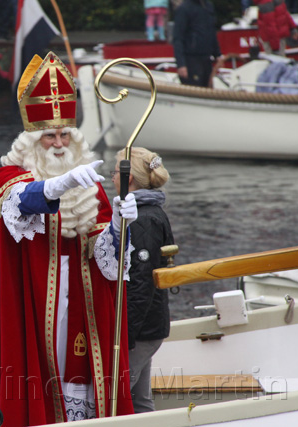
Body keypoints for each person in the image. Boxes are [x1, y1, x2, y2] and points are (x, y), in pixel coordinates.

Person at [0, 51, 138, 425]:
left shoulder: (88, 182)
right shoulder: (8, 177)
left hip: (83, 299)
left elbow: (107, 260)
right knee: (38, 375)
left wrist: (121, 228)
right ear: (32, 139)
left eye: (64, 134)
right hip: (32, 298)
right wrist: (56, 186)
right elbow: (22, 202)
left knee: (78, 378)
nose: (59, 144)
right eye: (49, 136)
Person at [112, 147, 173, 414]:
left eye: (114, 173)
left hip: (141, 328)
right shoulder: (150, 211)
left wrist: (127, 334)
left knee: (118, 394)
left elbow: (141, 281)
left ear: (129, 180)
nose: (111, 178)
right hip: (148, 324)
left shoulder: (142, 218)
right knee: (140, 399)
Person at [172, 0, 223, 87]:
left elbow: (212, 32)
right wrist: (181, 64)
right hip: (191, 60)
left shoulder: (208, 7)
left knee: (208, 90)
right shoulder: (184, 9)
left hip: (206, 59)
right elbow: (178, 38)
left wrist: (217, 54)